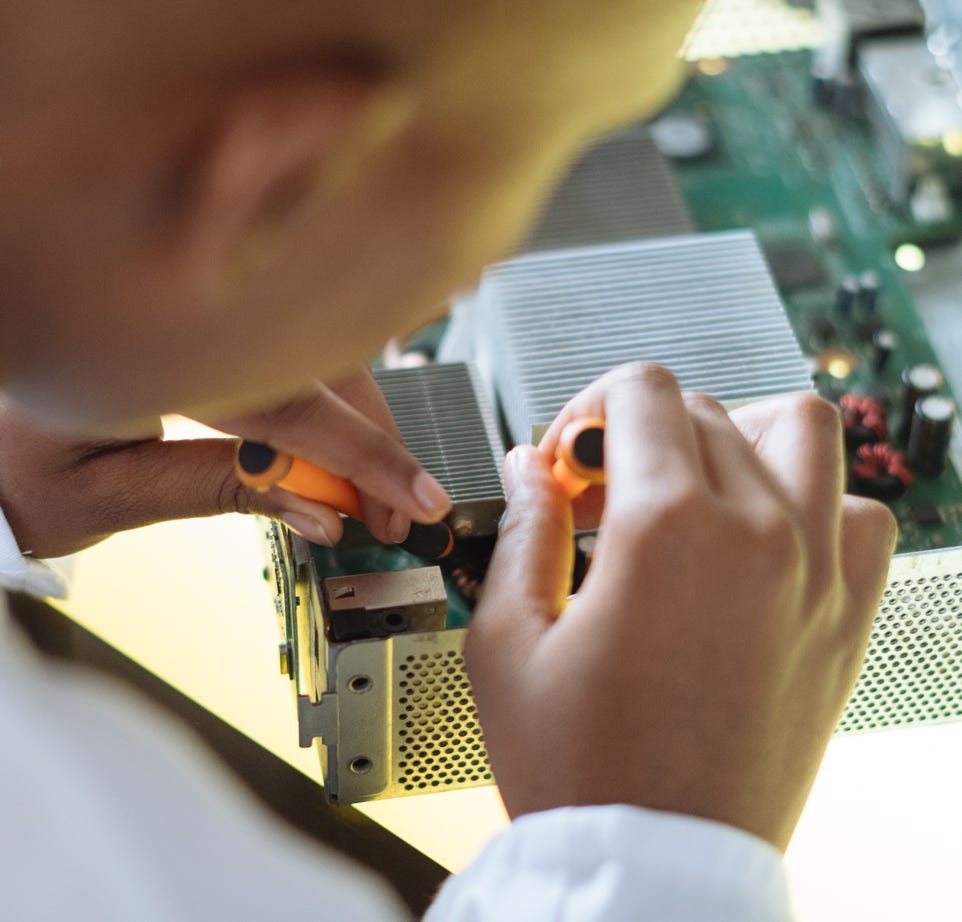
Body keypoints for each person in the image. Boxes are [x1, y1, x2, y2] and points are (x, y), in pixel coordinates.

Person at [0, 1, 896, 919]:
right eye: (556, 159)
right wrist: (656, 841)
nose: (484, 273)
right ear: (295, 180)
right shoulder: (89, 859)